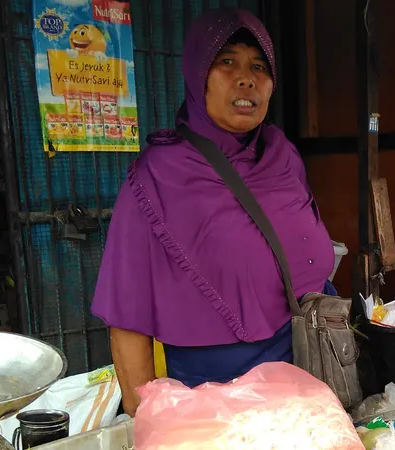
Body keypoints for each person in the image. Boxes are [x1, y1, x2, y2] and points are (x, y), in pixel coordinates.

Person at [92, 8, 336, 416]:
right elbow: (126, 311)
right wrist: (148, 420)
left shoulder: (283, 157)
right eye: (227, 62)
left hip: (307, 380)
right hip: (217, 404)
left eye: (259, 66)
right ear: (197, 74)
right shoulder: (158, 176)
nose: (246, 78)